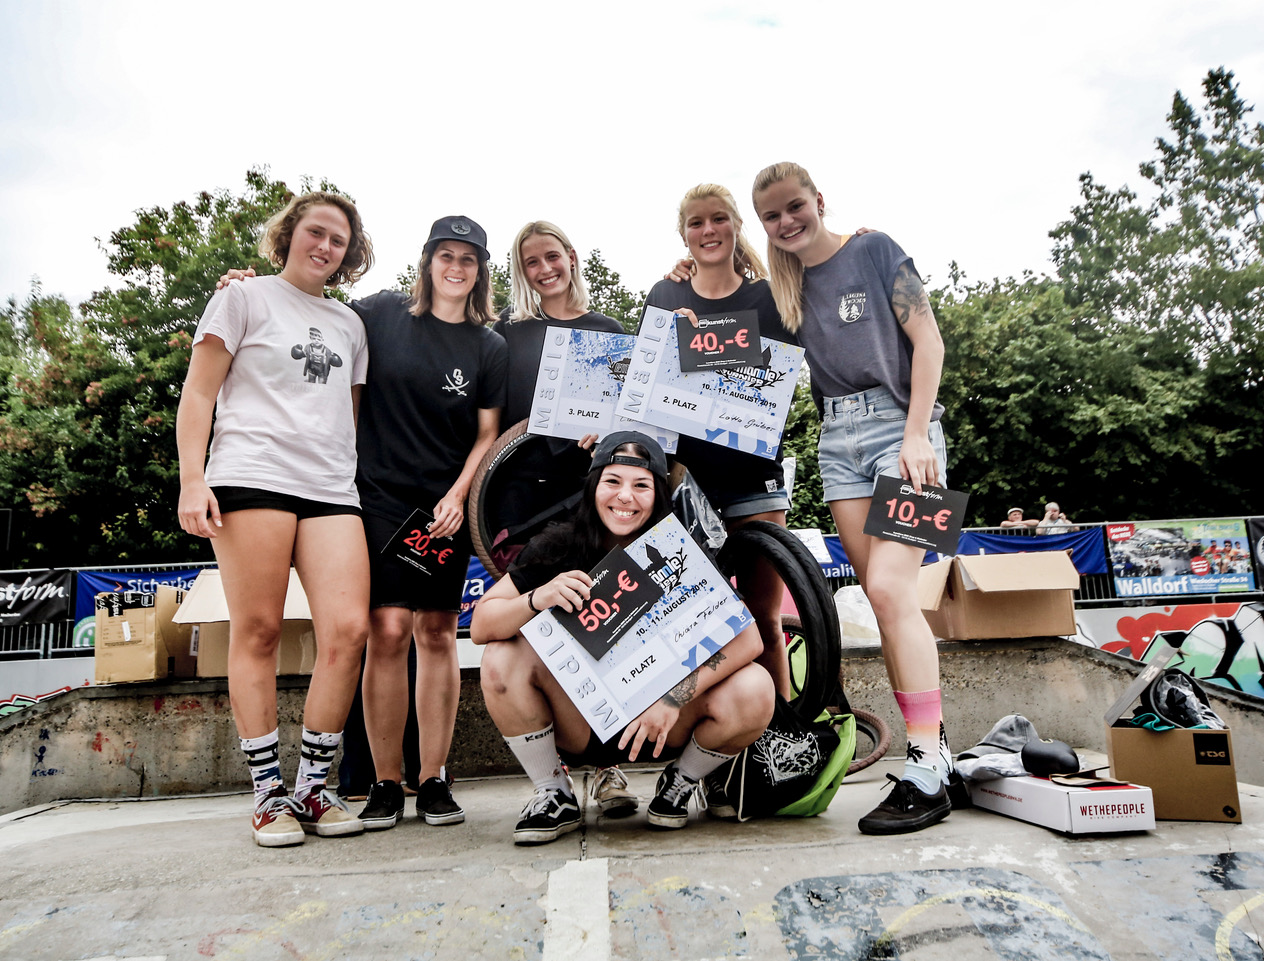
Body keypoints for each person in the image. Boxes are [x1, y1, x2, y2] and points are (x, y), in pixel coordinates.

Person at [749, 162, 952, 835]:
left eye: (795, 206)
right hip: (837, 440)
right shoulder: (785, 287)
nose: (786, 222)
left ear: (818, 200)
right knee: (885, 600)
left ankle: (925, 759)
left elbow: (930, 339)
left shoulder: (875, 248)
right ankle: (936, 746)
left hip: (908, 429)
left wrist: (919, 432)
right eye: (773, 215)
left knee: (894, 592)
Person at [177, 190, 374, 847]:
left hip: (330, 486)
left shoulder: (349, 325)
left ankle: (315, 788)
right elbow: (199, 390)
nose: (324, 246)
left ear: (349, 255)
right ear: (289, 233)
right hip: (251, 475)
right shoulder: (242, 297)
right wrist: (193, 478)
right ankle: (268, 795)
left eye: (338, 240)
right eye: (314, 232)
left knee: (347, 630)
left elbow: (347, 415)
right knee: (257, 628)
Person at [470, 432, 775, 844]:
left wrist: (673, 698)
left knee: (756, 686)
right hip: (581, 721)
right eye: (612, 481)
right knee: (501, 656)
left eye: (641, 485)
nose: (625, 497)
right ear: (593, 485)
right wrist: (536, 598)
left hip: (661, 722)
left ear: (659, 494)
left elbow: (749, 640)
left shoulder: (680, 547)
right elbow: (481, 624)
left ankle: (682, 782)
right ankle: (552, 791)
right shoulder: (560, 544)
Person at [352, 216, 507, 831]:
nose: (456, 267)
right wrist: (253, 286)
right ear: (426, 261)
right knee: (387, 630)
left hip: (443, 507)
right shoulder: (384, 314)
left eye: (468, 259)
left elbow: (488, 435)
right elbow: (313, 306)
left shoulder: (487, 346)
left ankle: (435, 779)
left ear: (480, 271)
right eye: (446, 255)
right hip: (379, 499)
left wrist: (457, 496)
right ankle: (385, 782)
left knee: (438, 633)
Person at [492, 221, 639, 817]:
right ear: (521, 270)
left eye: (551, 256)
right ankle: (550, 780)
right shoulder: (509, 336)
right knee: (530, 630)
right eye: (530, 262)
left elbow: (637, 421)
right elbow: (490, 422)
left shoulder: (612, 333)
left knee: (600, 625)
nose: (543, 268)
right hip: (521, 502)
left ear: (571, 257)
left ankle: (606, 771)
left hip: (591, 500)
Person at [648, 184, 799, 716]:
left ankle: (781, 733)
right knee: (696, 617)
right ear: (683, 234)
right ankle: (711, 734)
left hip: (753, 475)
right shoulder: (665, 296)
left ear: (736, 226)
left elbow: (776, 384)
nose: (707, 231)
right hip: (684, 480)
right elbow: (648, 387)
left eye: (717, 220)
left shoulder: (768, 298)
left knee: (763, 612)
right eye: (695, 222)